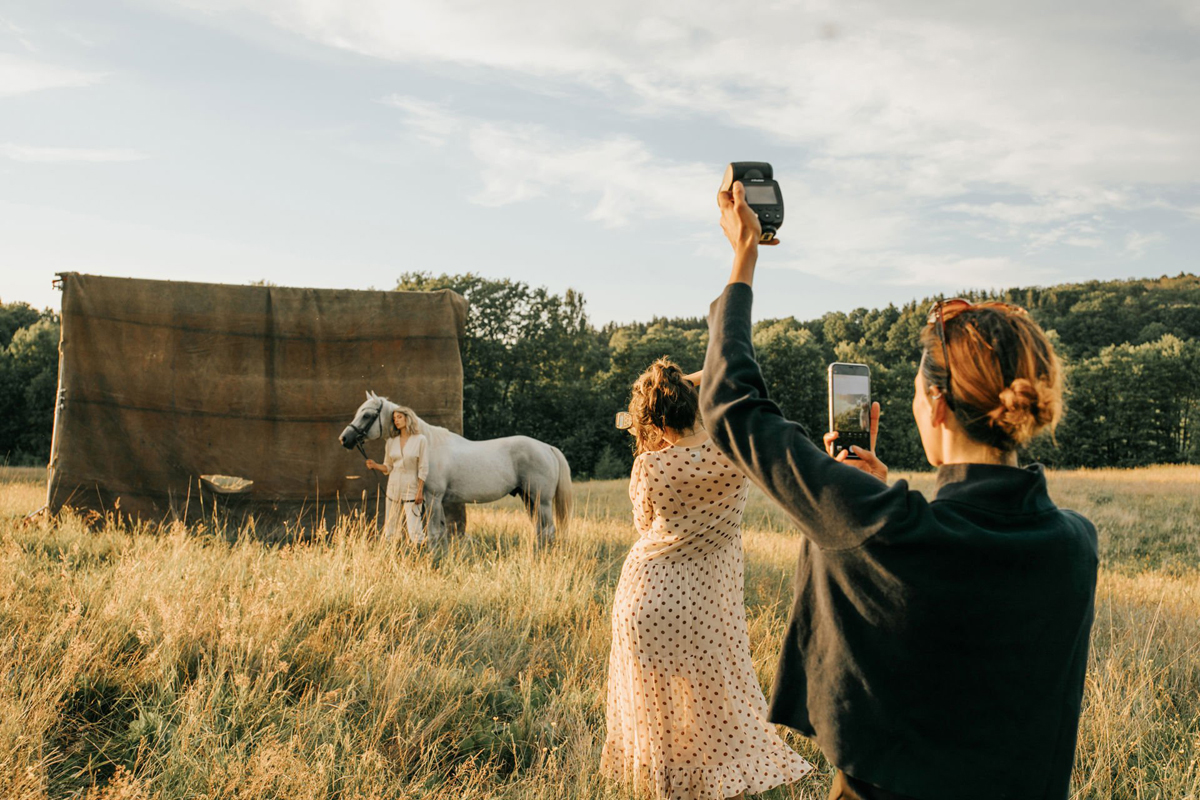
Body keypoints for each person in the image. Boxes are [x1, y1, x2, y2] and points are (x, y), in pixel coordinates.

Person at [699, 181, 1099, 800]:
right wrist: (877, 500)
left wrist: (743, 254)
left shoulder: (885, 528)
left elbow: (733, 407)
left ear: (935, 406)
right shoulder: (1075, 543)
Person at [601, 357, 813, 800]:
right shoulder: (732, 448)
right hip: (708, 603)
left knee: (659, 707)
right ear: (690, 402)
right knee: (713, 698)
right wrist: (683, 381)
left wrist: (658, 413)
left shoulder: (651, 467)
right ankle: (720, 782)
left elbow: (645, 525)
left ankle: (668, 786)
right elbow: (729, 369)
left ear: (653, 421)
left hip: (647, 596)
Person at [365, 406, 429, 543]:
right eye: (394, 419)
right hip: (393, 488)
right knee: (391, 528)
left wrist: (420, 491)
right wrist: (375, 465)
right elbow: (388, 467)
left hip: (411, 488)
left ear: (408, 418)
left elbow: (423, 467)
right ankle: (392, 557)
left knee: (415, 528)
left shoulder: (420, 440)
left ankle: (421, 557)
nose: (396, 421)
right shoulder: (391, 442)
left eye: (399, 417)